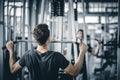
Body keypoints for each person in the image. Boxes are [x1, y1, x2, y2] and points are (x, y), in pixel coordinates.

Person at [6, 24, 88, 80]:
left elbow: (12, 69)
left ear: (35, 39)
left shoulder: (28, 55)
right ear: (49, 38)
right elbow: (74, 72)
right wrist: (82, 52)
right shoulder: (56, 56)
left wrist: (11, 50)